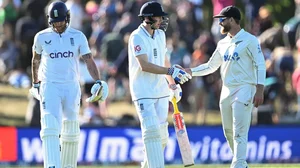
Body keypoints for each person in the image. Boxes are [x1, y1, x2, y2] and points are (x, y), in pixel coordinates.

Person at [29, 1, 109, 167]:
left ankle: (68, 165)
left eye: (61, 22)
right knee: (50, 125)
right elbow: (35, 60)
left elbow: (89, 60)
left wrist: (98, 80)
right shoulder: (41, 37)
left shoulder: (78, 36)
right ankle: (52, 164)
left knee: (71, 126)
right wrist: (35, 83)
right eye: (55, 22)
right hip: (50, 85)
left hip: (71, 86)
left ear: (68, 18)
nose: (58, 26)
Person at [185, 6, 266, 168]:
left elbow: (260, 64)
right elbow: (210, 66)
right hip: (227, 90)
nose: (220, 23)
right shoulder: (223, 43)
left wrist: (259, 89)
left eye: (222, 19)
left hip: (245, 88)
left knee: (239, 132)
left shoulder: (250, 40)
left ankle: (238, 164)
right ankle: (241, 164)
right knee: (228, 132)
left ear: (231, 20)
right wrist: (190, 71)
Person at [128, 1, 191, 168]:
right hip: (143, 91)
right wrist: (170, 72)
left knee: (161, 137)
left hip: (161, 91)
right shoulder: (137, 36)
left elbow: (165, 60)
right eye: (159, 17)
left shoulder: (161, 35)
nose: (162, 20)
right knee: (152, 133)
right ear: (148, 18)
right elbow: (145, 65)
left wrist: (172, 85)